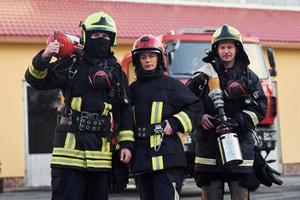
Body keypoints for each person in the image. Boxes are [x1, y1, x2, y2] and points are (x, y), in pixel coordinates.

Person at [25, 11, 134, 200]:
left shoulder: (117, 73)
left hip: (100, 159)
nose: (101, 39)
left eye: (106, 36)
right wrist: (44, 57)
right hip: (68, 155)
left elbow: (124, 111)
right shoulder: (71, 65)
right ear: (86, 36)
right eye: (96, 35)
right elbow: (36, 81)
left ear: (113, 39)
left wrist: (126, 144)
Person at [187, 24, 267, 200]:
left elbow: (260, 108)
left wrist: (237, 121)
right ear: (216, 50)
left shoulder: (249, 77)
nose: (226, 51)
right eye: (222, 47)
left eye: (230, 46)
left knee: (240, 194)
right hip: (209, 147)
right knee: (211, 194)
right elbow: (186, 101)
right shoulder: (203, 75)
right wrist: (199, 117)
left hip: (239, 147)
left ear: (237, 49)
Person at [129, 34, 202, 200]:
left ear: (160, 59)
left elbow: (196, 108)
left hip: (168, 159)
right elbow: (126, 122)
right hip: (142, 160)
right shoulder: (132, 90)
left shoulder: (172, 85)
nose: (148, 60)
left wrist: (176, 122)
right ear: (137, 60)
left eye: (152, 56)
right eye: (143, 57)